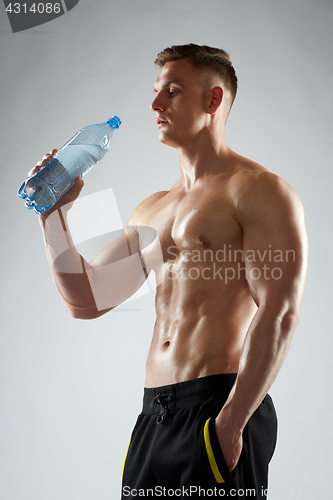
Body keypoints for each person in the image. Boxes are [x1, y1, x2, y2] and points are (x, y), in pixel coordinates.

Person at [32, 44, 308, 499]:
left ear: (213, 100)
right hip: (154, 414)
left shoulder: (259, 192)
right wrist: (54, 217)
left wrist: (232, 421)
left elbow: (280, 312)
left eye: (172, 92)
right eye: (156, 92)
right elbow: (85, 300)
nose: (155, 105)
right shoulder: (153, 207)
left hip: (217, 408)